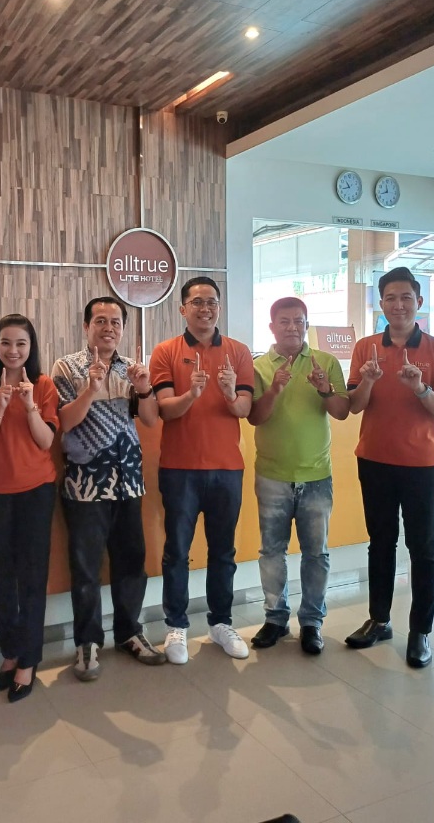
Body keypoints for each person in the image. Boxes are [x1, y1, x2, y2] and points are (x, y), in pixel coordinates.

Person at [345, 267, 434, 668]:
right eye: (390, 298)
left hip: (421, 465)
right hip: (374, 460)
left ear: (419, 302)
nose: (398, 305)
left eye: (406, 297)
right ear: (381, 304)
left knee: (423, 548)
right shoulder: (365, 348)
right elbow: (353, 407)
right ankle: (379, 620)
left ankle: (420, 631)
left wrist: (420, 388)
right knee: (380, 543)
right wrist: (369, 381)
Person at [51, 296, 165, 681]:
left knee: (132, 562)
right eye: (100, 321)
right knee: (86, 568)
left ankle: (130, 632)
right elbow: (65, 422)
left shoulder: (132, 369)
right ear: (86, 327)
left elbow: (149, 420)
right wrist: (91, 388)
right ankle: (87, 642)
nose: (108, 328)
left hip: (128, 479)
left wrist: (144, 389)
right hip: (85, 484)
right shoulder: (67, 367)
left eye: (115, 322)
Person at [149, 277, 254, 664]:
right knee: (177, 551)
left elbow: (244, 409)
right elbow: (165, 409)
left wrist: (227, 392)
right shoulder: (166, 351)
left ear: (219, 308)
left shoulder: (238, 352)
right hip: (179, 469)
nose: (205, 308)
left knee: (223, 551)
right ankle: (176, 626)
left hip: (227, 469)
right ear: (183, 309)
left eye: (211, 302)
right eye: (197, 302)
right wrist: (191, 394)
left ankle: (221, 622)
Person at [248, 297, 349, 656]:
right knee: (272, 552)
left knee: (316, 554)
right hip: (272, 475)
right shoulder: (258, 367)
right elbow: (254, 417)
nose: (292, 327)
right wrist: (274, 389)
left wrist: (324, 388)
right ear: (272, 326)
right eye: (285, 321)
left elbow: (341, 412)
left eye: (299, 321)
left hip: (317, 475)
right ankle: (276, 619)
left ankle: (311, 622)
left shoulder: (326, 362)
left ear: (307, 325)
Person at [0, 314, 59, 703]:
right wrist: (0, 408)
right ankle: (10, 652)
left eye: (21, 343)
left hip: (35, 491)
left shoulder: (43, 385)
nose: (13, 350)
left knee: (32, 577)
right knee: (2, 577)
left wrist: (29, 405)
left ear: (31, 347)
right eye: (6, 343)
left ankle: (29, 660)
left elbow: (45, 441)